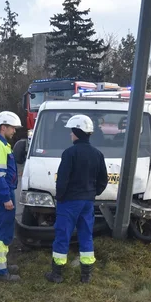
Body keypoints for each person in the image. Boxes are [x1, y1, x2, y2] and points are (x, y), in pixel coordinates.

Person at [46, 114, 108, 285]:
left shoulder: (69, 153)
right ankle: (86, 275)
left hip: (69, 202)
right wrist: (93, 193)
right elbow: (104, 179)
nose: (70, 134)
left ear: (77, 132)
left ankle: (57, 273)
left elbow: (63, 180)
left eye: (72, 131)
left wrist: (60, 198)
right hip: (87, 202)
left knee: (62, 235)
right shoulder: (98, 154)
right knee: (86, 235)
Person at [0, 111, 22, 282]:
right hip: (4, 192)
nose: (14, 131)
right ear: (4, 127)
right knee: (4, 230)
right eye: (12, 128)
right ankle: (0, 271)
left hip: (2, 193)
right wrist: (6, 198)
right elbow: (0, 175)